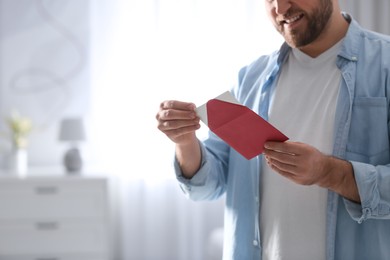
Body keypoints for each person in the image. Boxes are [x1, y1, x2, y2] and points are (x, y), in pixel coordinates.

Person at [156, 0, 390, 259]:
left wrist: (330, 173)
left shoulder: (386, 64)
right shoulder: (249, 79)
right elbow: (207, 185)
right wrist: (185, 141)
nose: (280, 8)